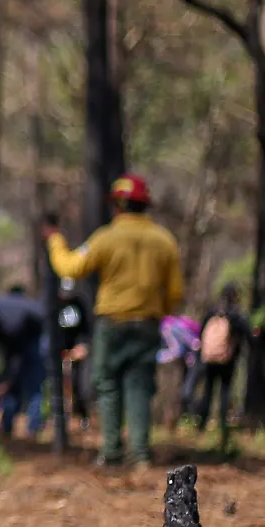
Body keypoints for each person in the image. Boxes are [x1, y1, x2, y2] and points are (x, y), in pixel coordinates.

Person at [45, 175, 184, 468]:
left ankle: (111, 451)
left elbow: (70, 266)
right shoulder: (164, 240)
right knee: (140, 385)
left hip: (113, 323)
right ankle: (141, 454)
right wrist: (158, 310)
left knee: (107, 384)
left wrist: (55, 240)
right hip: (148, 323)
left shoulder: (106, 237)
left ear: (118, 205)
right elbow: (175, 292)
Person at [0, 286, 48, 438]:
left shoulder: (12, 323)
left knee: (33, 383)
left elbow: (16, 361)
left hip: (35, 335)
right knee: (10, 388)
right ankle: (6, 428)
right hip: (16, 341)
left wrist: (6, 382)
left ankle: (33, 429)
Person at [193, 283, 249, 447]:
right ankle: (223, 425)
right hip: (227, 360)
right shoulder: (235, 315)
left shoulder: (212, 311)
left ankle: (202, 423)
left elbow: (201, 331)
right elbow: (247, 333)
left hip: (209, 358)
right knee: (224, 391)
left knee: (208, 390)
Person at [52, 278, 93, 428]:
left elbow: (86, 328)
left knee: (78, 385)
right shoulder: (54, 303)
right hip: (58, 350)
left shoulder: (79, 304)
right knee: (58, 385)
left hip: (76, 350)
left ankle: (82, 416)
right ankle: (59, 419)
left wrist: (82, 346)